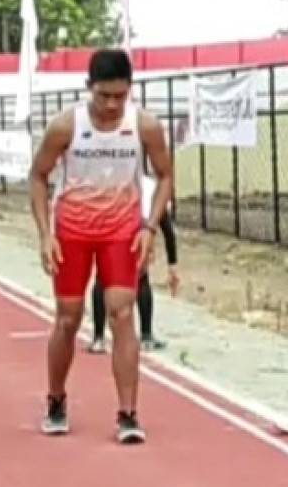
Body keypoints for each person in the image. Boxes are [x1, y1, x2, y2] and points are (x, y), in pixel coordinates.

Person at [28, 48, 173, 445]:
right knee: (68, 318)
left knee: (122, 314)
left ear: (130, 90)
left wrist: (150, 227)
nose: (111, 105)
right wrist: (45, 234)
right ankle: (56, 399)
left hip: (121, 231)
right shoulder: (65, 126)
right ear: (88, 87)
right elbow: (38, 176)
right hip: (73, 231)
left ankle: (128, 413)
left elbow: (165, 175)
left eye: (119, 96)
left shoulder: (144, 126)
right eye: (103, 95)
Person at [89, 172, 179, 353]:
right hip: (134, 226)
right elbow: (167, 229)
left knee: (103, 278)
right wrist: (172, 265)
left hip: (115, 224)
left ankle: (99, 338)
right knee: (141, 279)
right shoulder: (154, 187)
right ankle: (146, 336)